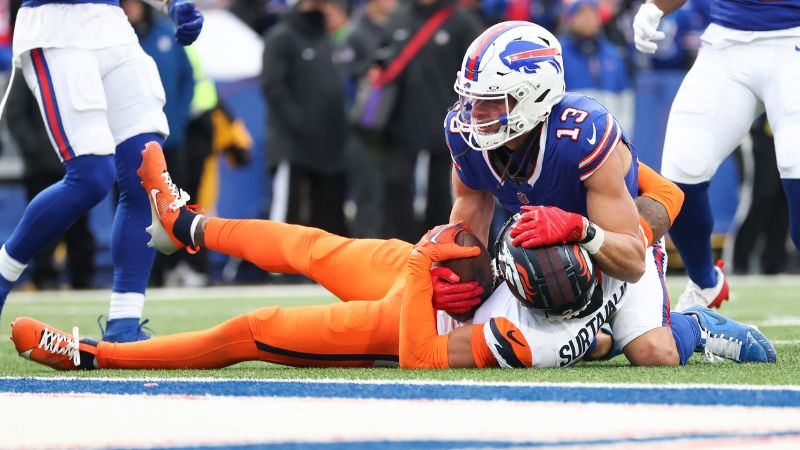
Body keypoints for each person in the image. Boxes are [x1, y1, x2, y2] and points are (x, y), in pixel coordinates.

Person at [9, 142, 775, 371]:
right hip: (459, 273)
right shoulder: (578, 147)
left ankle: (95, 356)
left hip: (427, 305)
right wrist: (470, 247)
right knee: (314, 245)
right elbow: (659, 198)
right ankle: (189, 224)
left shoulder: (530, 332)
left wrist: (435, 266)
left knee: (255, 325)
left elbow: (421, 354)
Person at [443, 20, 712, 367]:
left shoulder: (583, 132)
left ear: (535, 94)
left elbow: (631, 261)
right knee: (475, 338)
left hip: (609, 244)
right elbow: (468, 219)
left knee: (654, 354)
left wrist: (580, 229)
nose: (475, 114)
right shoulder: (464, 134)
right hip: (543, 255)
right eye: (472, 98)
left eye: (493, 100)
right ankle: (599, 342)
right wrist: (458, 274)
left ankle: (699, 325)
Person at [0, 0, 203, 342]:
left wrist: (169, 3)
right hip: (56, 27)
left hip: (114, 25)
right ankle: (3, 275)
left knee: (147, 174)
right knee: (91, 177)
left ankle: (124, 321)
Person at [632, 0, 800, 310]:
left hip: (795, 38)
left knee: (796, 165)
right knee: (682, 169)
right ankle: (705, 285)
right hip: (727, 42)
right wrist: (655, 6)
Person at [262, 0, 349, 237]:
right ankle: (277, 263)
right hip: (292, 141)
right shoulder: (281, 37)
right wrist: (299, 122)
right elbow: (273, 86)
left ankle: (320, 264)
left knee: (327, 207)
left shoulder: (326, 39)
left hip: (328, 140)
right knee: (288, 204)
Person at [5, 70, 96, 290]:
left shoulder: (75, 62)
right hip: (42, 168)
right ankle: (43, 278)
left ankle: (82, 279)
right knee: (43, 226)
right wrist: (36, 151)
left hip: (74, 160)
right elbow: (14, 113)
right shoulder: (26, 66)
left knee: (79, 228)